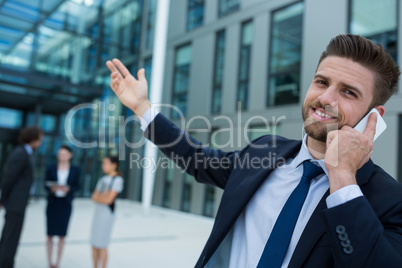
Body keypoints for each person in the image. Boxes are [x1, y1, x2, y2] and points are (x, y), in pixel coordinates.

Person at [106, 34, 402, 267]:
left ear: (373, 116)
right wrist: (142, 108)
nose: (325, 98)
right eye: (321, 82)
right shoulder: (264, 150)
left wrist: (342, 178)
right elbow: (197, 159)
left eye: (348, 92)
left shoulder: (389, 201)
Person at [0, 126, 43, 268]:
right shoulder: (21, 153)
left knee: (10, 237)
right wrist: (2, 199)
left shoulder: (26, 153)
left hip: (18, 203)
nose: (40, 142)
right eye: (40, 139)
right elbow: (9, 178)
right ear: (33, 139)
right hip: (15, 203)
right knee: (10, 238)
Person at [45, 145, 80, 268]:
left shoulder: (75, 169)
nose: (62, 157)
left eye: (64, 154)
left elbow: (77, 186)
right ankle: (49, 263)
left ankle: (58, 263)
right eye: (60, 154)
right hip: (53, 203)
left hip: (65, 204)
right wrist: (52, 188)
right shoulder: (51, 168)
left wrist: (68, 189)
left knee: (62, 235)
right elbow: (46, 183)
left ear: (70, 155)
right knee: (49, 234)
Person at [90, 156, 124, 268]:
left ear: (114, 165)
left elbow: (109, 200)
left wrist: (101, 197)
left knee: (102, 244)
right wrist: (103, 197)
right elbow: (93, 197)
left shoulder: (117, 180)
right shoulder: (103, 179)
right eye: (103, 163)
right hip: (98, 213)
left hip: (107, 215)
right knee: (94, 243)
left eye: (106, 163)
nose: (103, 166)